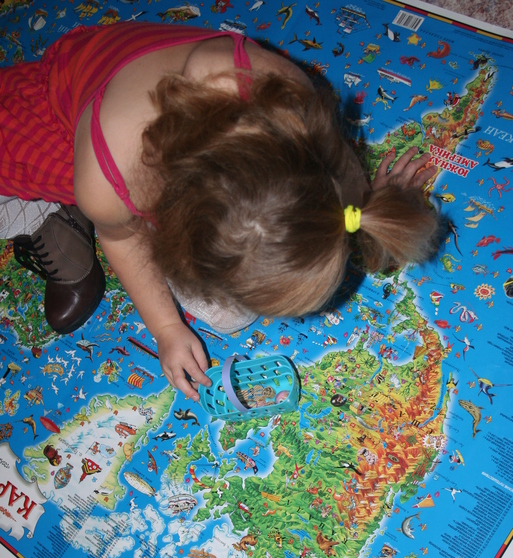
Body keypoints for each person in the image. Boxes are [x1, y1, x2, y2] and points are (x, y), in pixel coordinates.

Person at [0, 22, 438, 401]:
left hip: (138, 102)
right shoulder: (105, 185)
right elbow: (120, 235)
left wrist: (365, 199)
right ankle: (57, 221)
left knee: (230, 317)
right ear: (175, 237)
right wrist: (166, 328)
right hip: (57, 108)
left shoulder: (283, 97)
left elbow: (334, 163)